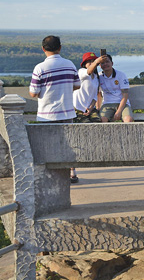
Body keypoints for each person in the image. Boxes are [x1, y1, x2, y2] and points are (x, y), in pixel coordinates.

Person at [29, 35, 81, 182]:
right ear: (60, 47)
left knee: (48, 146)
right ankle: (71, 173)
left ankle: (50, 177)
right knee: (68, 145)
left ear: (43, 49)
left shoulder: (40, 68)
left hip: (47, 114)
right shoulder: (69, 64)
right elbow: (77, 85)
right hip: (67, 111)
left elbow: (33, 92)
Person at [97, 54, 134, 123]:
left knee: (128, 120)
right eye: (102, 63)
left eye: (107, 62)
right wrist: (98, 107)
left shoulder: (121, 75)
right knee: (102, 120)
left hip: (122, 104)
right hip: (107, 104)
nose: (105, 64)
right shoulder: (99, 76)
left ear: (112, 63)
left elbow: (125, 96)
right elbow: (98, 93)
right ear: (100, 65)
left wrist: (119, 111)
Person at [73, 52, 102, 123]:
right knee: (86, 124)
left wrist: (91, 108)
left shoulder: (96, 77)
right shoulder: (81, 72)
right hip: (77, 109)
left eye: (93, 61)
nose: (92, 63)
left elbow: (95, 96)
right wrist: (96, 62)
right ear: (84, 64)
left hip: (90, 109)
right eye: (89, 61)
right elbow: (88, 72)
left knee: (98, 123)